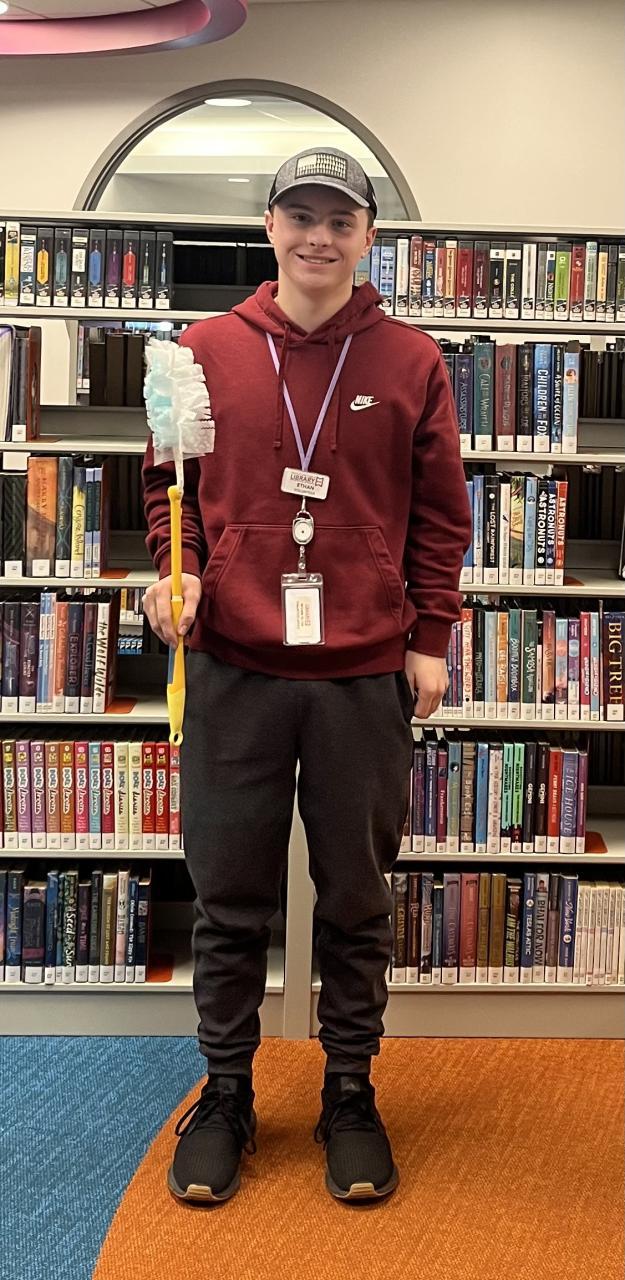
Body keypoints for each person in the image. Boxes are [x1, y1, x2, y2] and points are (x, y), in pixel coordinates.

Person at [142, 146, 472, 1206]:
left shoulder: (412, 360)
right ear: (269, 226)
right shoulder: (201, 350)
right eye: (300, 216)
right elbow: (169, 491)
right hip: (233, 661)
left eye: (339, 220)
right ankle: (226, 1092)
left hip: (363, 670)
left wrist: (430, 634)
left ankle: (349, 1090)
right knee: (228, 896)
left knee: (356, 900)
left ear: (368, 235)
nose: (318, 237)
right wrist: (173, 572)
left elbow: (441, 517)